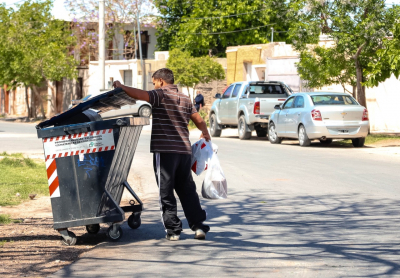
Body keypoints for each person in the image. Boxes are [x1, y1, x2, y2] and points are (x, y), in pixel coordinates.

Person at [113, 68, 211, 241]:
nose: (154, 86)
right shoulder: (185, 98)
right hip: (184, 152)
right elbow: (199, 120)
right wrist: (205, 133)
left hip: (165, 152)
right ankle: (198, 226)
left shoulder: (161, 94)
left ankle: (173, 230)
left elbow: (140, 94)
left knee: (165, 191)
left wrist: (121, 86)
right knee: (187, 190)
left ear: (160, 81)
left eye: (154, 83)